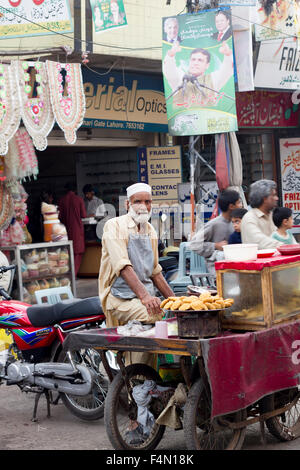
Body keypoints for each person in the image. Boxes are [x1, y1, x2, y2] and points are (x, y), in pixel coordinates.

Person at [99, 182, 174, 366]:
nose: (143, 206)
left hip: (142, 297)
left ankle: (144, 378)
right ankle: (132, 377)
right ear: (127, 204)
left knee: (171, 316)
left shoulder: (150, 230)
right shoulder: (113, 226)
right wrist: (145, 297)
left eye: (147, 202)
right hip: (118, 297)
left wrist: (176, 301)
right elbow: (123, 266)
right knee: (159, 316)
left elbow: (155, 272)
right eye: (137, 201)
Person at [163, 40, 234, 108]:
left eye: (200, 60)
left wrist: (227, 55)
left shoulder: (213, 79)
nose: (195, 63)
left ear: (207, 65)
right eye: (193, 59)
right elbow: (168, 69)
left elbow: (227, 71)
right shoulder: (180, 77)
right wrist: (171, 54)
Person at [189, 189, 242, 275]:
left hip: (236, 268)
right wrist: (215, 246)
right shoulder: (214, 224)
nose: (241, 205)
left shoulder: (238, 223)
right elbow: (194, 244)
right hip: (219, 272)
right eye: (239, 203)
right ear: (231, 206)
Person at [241, 179, 284, 249]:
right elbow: (260, 242)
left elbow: (282, 235)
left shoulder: (271, 215)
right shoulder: (249, 218)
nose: (277, 198)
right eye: (273, 195)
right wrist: (285, 246)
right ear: (264, 199)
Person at [58, 182, 87, 276]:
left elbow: (60, 217)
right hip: (77, 229)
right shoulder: (79, 199)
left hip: (64, 230)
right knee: (78, 253)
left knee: (67, 253)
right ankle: (73, 274)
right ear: (74, 190)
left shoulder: (61, 200)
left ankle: (68, 272)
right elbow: (83, 215)